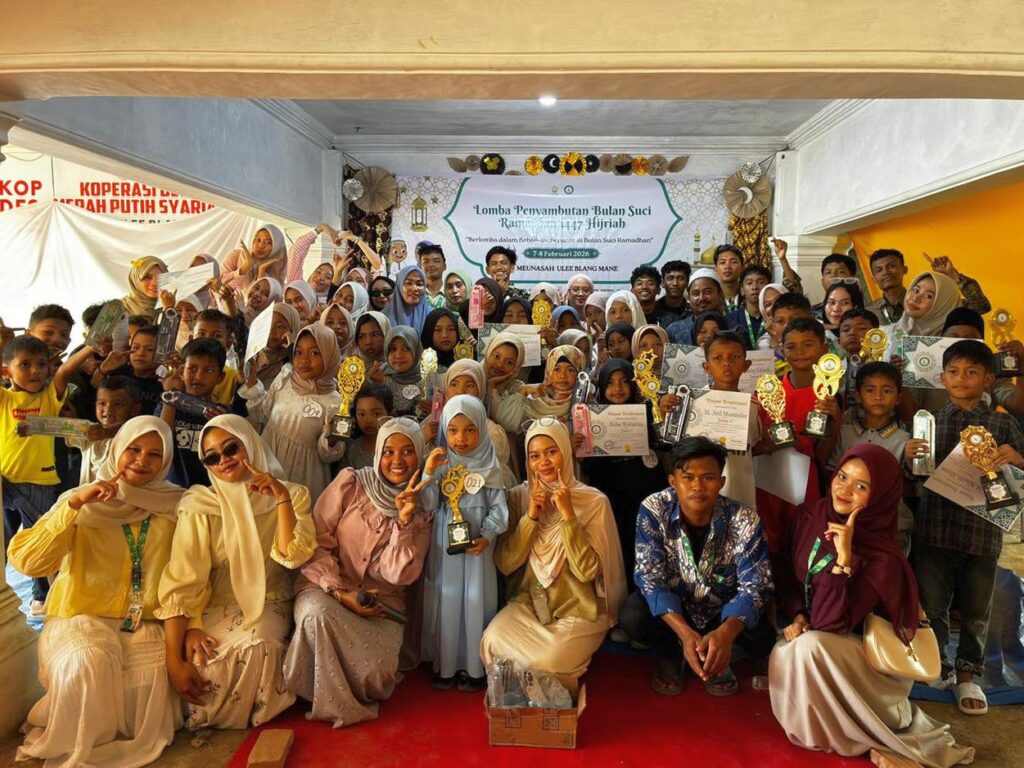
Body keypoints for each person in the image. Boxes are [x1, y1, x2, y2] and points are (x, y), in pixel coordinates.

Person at [770, 444, 974, 767]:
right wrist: (797, 615)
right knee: (787, 648)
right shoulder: (809, 517)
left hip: (872, 664)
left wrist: (844, 560)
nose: (845, 490)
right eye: (842, 477)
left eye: (861, 486)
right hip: (824, 640)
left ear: (880, 497)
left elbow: (830, 623)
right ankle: (838, 732)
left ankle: (864, 738)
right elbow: (787, 576)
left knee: (808, 648)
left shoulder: (883, 558)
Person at [8, 416, 185, 767]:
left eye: (154, 454)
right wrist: (74, 508)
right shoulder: (80, 499)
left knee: (150, 682)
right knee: (87, 663)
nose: (141, 461)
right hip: (80, 614)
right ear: (117, 449)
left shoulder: (176, 505)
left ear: (166, 459)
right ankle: (76, 742)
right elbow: (29, 562)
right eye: (133, 449)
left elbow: (188, 574)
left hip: (144, 620)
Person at [158, 415, 315, 729]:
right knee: (199, 661)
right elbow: (185, 577)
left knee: (259, 647)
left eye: (231, 449)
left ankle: (237, 720)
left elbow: (292, 557)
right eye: (212, 457)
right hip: (212, 605)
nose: (224, 460)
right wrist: (191, 628)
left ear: (251, 444)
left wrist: (281, 500)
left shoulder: (292, 494)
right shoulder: (200, 505)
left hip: (269, 600)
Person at [285, 417, 433, 726]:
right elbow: (316, 541)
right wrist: (342, 592)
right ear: (377, 453)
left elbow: (397, 576)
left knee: (375, 675)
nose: (397, 460)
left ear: (420, 454)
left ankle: (322, 687)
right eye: (388, 451)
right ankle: (329, 703)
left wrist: (404, 522)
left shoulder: (423, 509)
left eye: (407, 451)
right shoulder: (351, 483)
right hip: (327, 589)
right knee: (316, 615)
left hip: (381, 606)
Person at [906, 340, 1024, 715]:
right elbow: (915, 476)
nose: (961, 379)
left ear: (988, 379)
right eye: (953, 372)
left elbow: (1019, 477)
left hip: (982, 534)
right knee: (932, 604)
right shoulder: (928, 421)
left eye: (971, 372)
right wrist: (908, 458)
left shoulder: (1003, 423)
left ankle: (968, 674)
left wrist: (1019, 459)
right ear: (941, 378)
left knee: (976, 610)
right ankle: (937, 665)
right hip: (935, 530)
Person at [481, 419, 626, 696]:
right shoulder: (519, 498)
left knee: (550, 659)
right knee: (491, 641)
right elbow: (505, 563)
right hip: (528, 604)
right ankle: (536, 681)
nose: (543, 463)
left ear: (566, 452)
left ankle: (532, 678)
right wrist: (530, 518)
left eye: (551, 452)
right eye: (534, 456)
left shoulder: (593, 501)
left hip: (578, 609)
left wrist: (569, 515)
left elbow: (587, 571)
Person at [623, 437, 773, 696]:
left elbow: (756, 585)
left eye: (708, 478)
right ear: (673, 481)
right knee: (633, 617)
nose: (697, 487)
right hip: (677, 610)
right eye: (688, 477)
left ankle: (718, 651)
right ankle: (672, 653)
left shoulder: (744, 519)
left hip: (721, 611)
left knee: (763, 631)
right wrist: (684, 632)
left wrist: (726, 633)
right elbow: (649, 577)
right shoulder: (654, 509)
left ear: (721, 482)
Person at [421, 396, 510, 690]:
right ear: (444, 430)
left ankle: (474, 667)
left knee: (476, 599)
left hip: (477, 545)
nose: (461, 438)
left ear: (481, 429)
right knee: (446, 597)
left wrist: (487, 536)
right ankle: (445, 665)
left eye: (470, 430)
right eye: (453, 430)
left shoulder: (489, 465)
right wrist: (429, 472)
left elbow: (498, 509)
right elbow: (428, 503)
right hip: (445, 541)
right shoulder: (441, 462)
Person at [3, 335, 96, 612]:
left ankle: (46, 596)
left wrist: (91, 347)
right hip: (4, 480)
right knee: (5, 538)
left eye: (41, 364)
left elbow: (66, 371)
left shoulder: (48, 397)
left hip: (38, 482)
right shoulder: (5, 398)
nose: (35, 371)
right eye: (25, 364)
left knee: (44, 538)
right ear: (6, 371)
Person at [580, 358, 665, 587]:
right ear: (601, 386)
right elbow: (588, 467)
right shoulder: (591, 418)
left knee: (647, 543)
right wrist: (578, 447)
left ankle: (650, 587)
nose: (617, 388)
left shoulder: (647, 411)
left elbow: (663, 444)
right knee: (619, 545)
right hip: (612, 497)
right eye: (610, 383)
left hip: (644, 493)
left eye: (624, 381)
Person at [239, 324, 345, 503]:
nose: (304, 360)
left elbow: (331, 455)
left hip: (303, 475)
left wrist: (332, 437)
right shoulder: (285, 378)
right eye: (299, 352)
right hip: (268, 461)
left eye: (314, 353)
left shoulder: (338, 402)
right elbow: (262, 415)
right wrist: (252, 383)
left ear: (330, 355)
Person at [755, 318, 832, 551]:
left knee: (804, 545)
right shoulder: (769, 391)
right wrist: (771, 443)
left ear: (824, 349)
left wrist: (835, 419)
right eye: (791, 346)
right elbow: (755, 444)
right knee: (771, 547)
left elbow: (824, 454)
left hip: (808, 483)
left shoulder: (828, 396)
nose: (799, 352)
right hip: (768, 482)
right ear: (781, 350)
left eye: (808, 344)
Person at [827, 362, 912, 550]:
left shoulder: (905, 440)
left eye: (887, 391)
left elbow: (908, 481)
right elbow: (832, 473)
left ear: (898, 398)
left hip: (888, 525)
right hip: (843, 519)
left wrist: (910, 460)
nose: (878, 397)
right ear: (858, 395)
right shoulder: (844, 433)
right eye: (870, 390)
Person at [160, 337, 231, 488]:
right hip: (171, 489)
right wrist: (171, 397)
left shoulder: (222, 414)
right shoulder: (167, 407)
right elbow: (161, 442)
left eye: (208, 370)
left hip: (210, 491)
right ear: (181, 371)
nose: (198, 377)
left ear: (220, 377)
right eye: (192, 369)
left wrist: (223, 424)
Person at [868, 249, 991, 325]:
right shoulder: (870, 312)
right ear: (873, 279)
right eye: (879, 270)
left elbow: (981, 307)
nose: (886, 272)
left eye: (891, 266)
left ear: (904, 269)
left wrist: (953, 275)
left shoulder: (931, 301)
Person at [66, 376, 142, 485]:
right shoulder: (91, 431)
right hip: (88, 494)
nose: (108, 410)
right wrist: (70, 419)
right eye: (102, 403)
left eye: (118, 404)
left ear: (134, 409)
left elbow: (129, 427)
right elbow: (67, 427)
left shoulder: (137, 434)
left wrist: (107, 432)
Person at [666, 269, 728, 345]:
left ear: (720, 294)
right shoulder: (674, 331)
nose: (701, 298)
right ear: (689, 297)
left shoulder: (734, 328)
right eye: (696, 294)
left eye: (708, 292)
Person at [526, 345, 586, 422]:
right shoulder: (532, 401)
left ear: (579, 373)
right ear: (548, 371)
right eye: (557, 370)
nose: (563, 376)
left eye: (570, 370)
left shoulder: (585, 403)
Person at [221, 224, 287, 293]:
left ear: (277, 248)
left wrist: (261, 273)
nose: (261, 245)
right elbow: (220, 285)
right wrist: (244, 268)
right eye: (258, 239)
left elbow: (261, 298)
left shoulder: (276, 272)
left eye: (268, 242)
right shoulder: (236, 256)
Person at [343, 384, 393, 471]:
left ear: (389, 413)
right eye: (361, 414)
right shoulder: (352, 448)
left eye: (376, 414)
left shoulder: (399, 444)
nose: (368, 420)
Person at [726, 264, 771, 351]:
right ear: (742, 290)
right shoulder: (730, 319)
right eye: (749, 283)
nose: (755, 287)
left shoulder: (774, 319)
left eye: (761, 282)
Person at [383, 265, 431, 335]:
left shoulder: (432, 315)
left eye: (419, 284)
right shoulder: (384, 317)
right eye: (408, 283)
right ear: (399, 285)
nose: (414, 288)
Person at [812, 254, 857, 321]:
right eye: (828, 272)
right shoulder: (811, 314)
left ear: (852, 279)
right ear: (822, 281)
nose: (833, 276)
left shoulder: (866, 311)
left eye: (841, 272)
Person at [122, 256, 168, 322]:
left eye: (160, 277)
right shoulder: (120, 310)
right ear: (135, 280)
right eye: (147, 277)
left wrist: (168, 308)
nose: (155, 283)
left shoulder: (175, 307)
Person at [713, 245, 745, 313]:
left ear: (742, 267)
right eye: (722, 262)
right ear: (716, 268)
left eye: (733, 262)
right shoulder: (712, 298)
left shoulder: (748, 296)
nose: (727, 267)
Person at [417, 243, 449, 309]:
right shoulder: (416, 293)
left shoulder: (452, 293)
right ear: (420, 267)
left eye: (436, 261)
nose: (431, 265)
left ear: (444, 266)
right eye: (426, 262)